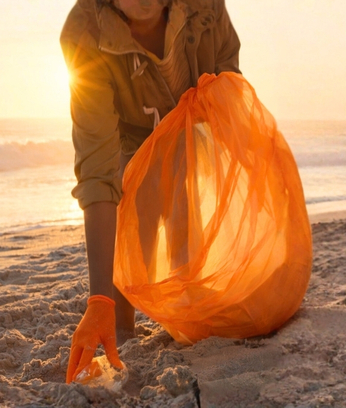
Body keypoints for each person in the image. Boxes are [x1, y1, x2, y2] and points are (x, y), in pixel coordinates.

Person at [60, 0, 240, 383]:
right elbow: (97, 169)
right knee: (132, 228)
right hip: (129, 137)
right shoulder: (85, 32)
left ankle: (188, 306)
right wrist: (98, 300)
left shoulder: (205, 6)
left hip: (192, 119)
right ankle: (120, 326)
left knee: (182, 230)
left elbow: (229, 78)